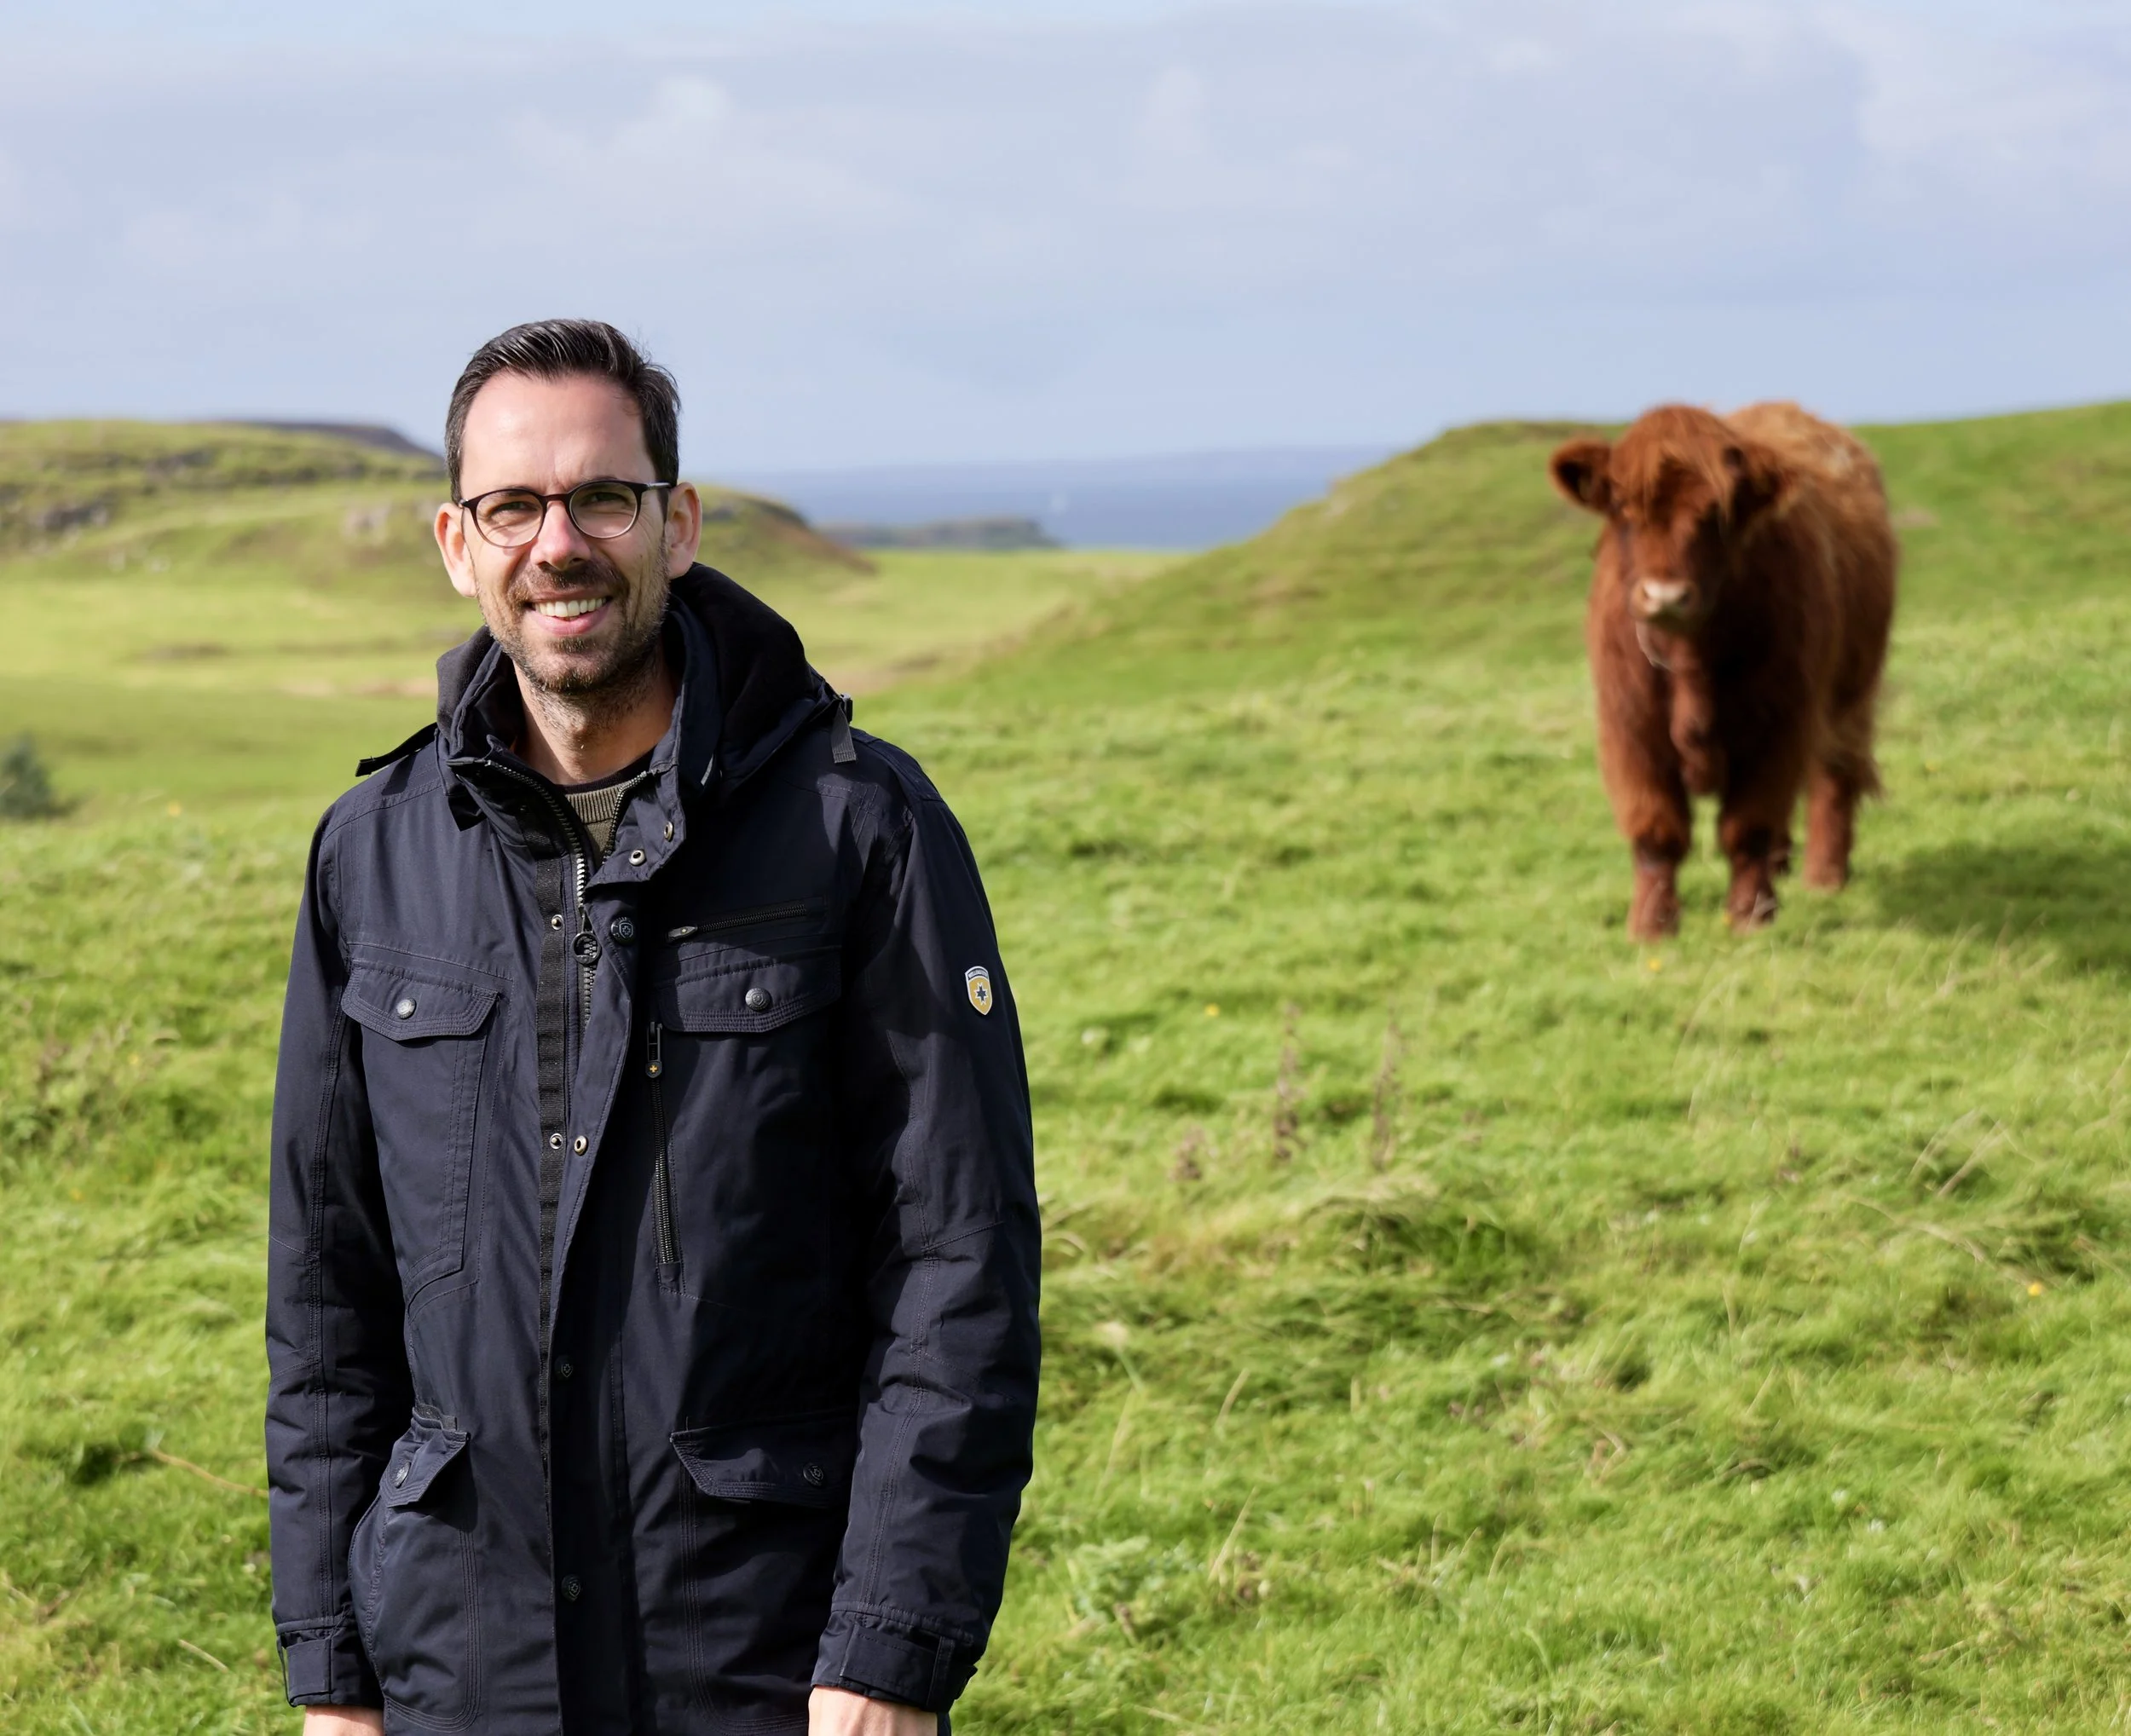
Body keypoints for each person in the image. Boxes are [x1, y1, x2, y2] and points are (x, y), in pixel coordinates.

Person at [264, 320, 1040, 1735]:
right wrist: (331, 1670)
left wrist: (887, 1647)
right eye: (513, 506)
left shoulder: (857, 829)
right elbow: (325, 1301)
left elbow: (958, 1259)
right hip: (457, 1663)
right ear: (456, 541)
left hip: (759, 1660)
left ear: (675, 524)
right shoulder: (368, 855)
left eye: (601, 499)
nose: (557, 543)